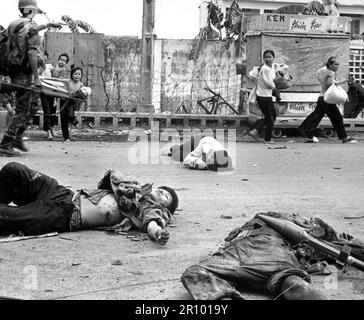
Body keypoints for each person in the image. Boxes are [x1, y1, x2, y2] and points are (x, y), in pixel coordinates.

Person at [181, 211, 364, 300]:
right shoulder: (286, 221)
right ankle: (223, 294)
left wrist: (346, 242)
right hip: (249, 251)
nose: (306, 220)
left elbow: (342, 250)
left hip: (263, 249)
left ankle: (220, 293)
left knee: (294, 284)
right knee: (293, 284)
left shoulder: (301, 231)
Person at [0, 162, 179, 245]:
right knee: (14, 171)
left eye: (166, 198)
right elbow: (109, 177)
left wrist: (157, 232)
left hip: (65, 215)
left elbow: (152, 222)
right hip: (63, 193)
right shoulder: (134, 188)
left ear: (164, 208)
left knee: (6, 216)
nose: (161, 193)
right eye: (162, 190)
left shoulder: (148, 208)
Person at [0, 0, 61, 156]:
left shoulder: (15, 24)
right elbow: (32, 53)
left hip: (15, 71)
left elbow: (26, 31)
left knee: (32, 106)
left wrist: (47, 26)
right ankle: (6, 143)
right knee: (23, 109)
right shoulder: (30, 27)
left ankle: (17, 138)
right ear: (31, 10)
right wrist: (37, 78)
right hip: (25, 74)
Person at [299, 57, 357, 144]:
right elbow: (330, 84)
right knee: (337, 118)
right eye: (335, 64)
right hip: (327, 99)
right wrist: (345, 81)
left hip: (322, 98)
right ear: (330, 65)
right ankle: (344, 137)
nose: (337, 66)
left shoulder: (324, 71)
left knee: (316, 116)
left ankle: (306, 132)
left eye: (338, 64)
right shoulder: (330, 72)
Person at [248, 50, 278, 145]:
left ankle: (256, 131)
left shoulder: (271, 67)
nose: (268, 59)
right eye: (266, 57)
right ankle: (266, 138)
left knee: (270, 116)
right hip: (264, 96)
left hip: (265, 96)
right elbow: (269, 83)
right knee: (271, 117)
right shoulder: (265, 69)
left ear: (273, 58)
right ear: (263, 58)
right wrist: (276, 90)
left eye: (270, 57)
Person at [40, 52, 70, 140]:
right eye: (60, 59)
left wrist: (56, 99)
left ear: (66, 63)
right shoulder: (51, 68)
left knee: (53, 112)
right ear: (58, 60)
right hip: (45, 91)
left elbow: (61, 84)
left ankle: (52, 129)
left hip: (55, 93)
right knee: (47, 111)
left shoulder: (64, 72)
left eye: (64, 61)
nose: (61, 62)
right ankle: (49, 131)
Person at [168, 135, 233, 171]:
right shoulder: (207, 147)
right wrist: (197, 162)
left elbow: (227, 164)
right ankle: (174, 147)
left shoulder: (223, 156)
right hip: (199, 141)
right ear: (212, 155)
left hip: (202, 152)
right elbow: (187, 159)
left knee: (179, 156)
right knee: (176, 150)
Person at [57, 66, 86, 141]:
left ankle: (74, 121)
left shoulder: (81, 85)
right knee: (63, 119)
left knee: (70, 115)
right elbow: (60, 87)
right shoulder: (68, 82)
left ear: (81, 75)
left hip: (73, 103)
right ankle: (66, 137)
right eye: (75, 74)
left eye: (79, 74)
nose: (77, 76)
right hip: (64, 101)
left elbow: (82, 96)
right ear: (72, 75)